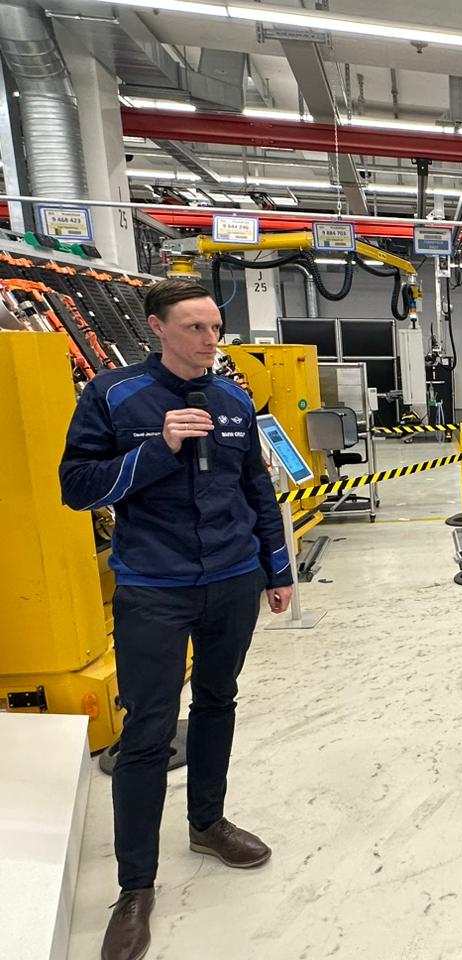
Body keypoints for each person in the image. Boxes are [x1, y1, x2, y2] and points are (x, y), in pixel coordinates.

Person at [59, 279, 294, 960]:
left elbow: (255, 487)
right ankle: (135, 888)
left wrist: (277, 568)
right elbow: (76, 488)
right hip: (153, 587)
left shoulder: (234, 400)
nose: (209, 340)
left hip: (232, 578)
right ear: (157, 328)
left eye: (215, 327)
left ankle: (207, 824)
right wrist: (155, 449)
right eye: (194, 327)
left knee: (219, 700)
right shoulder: (113, 395)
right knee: (148, 730)